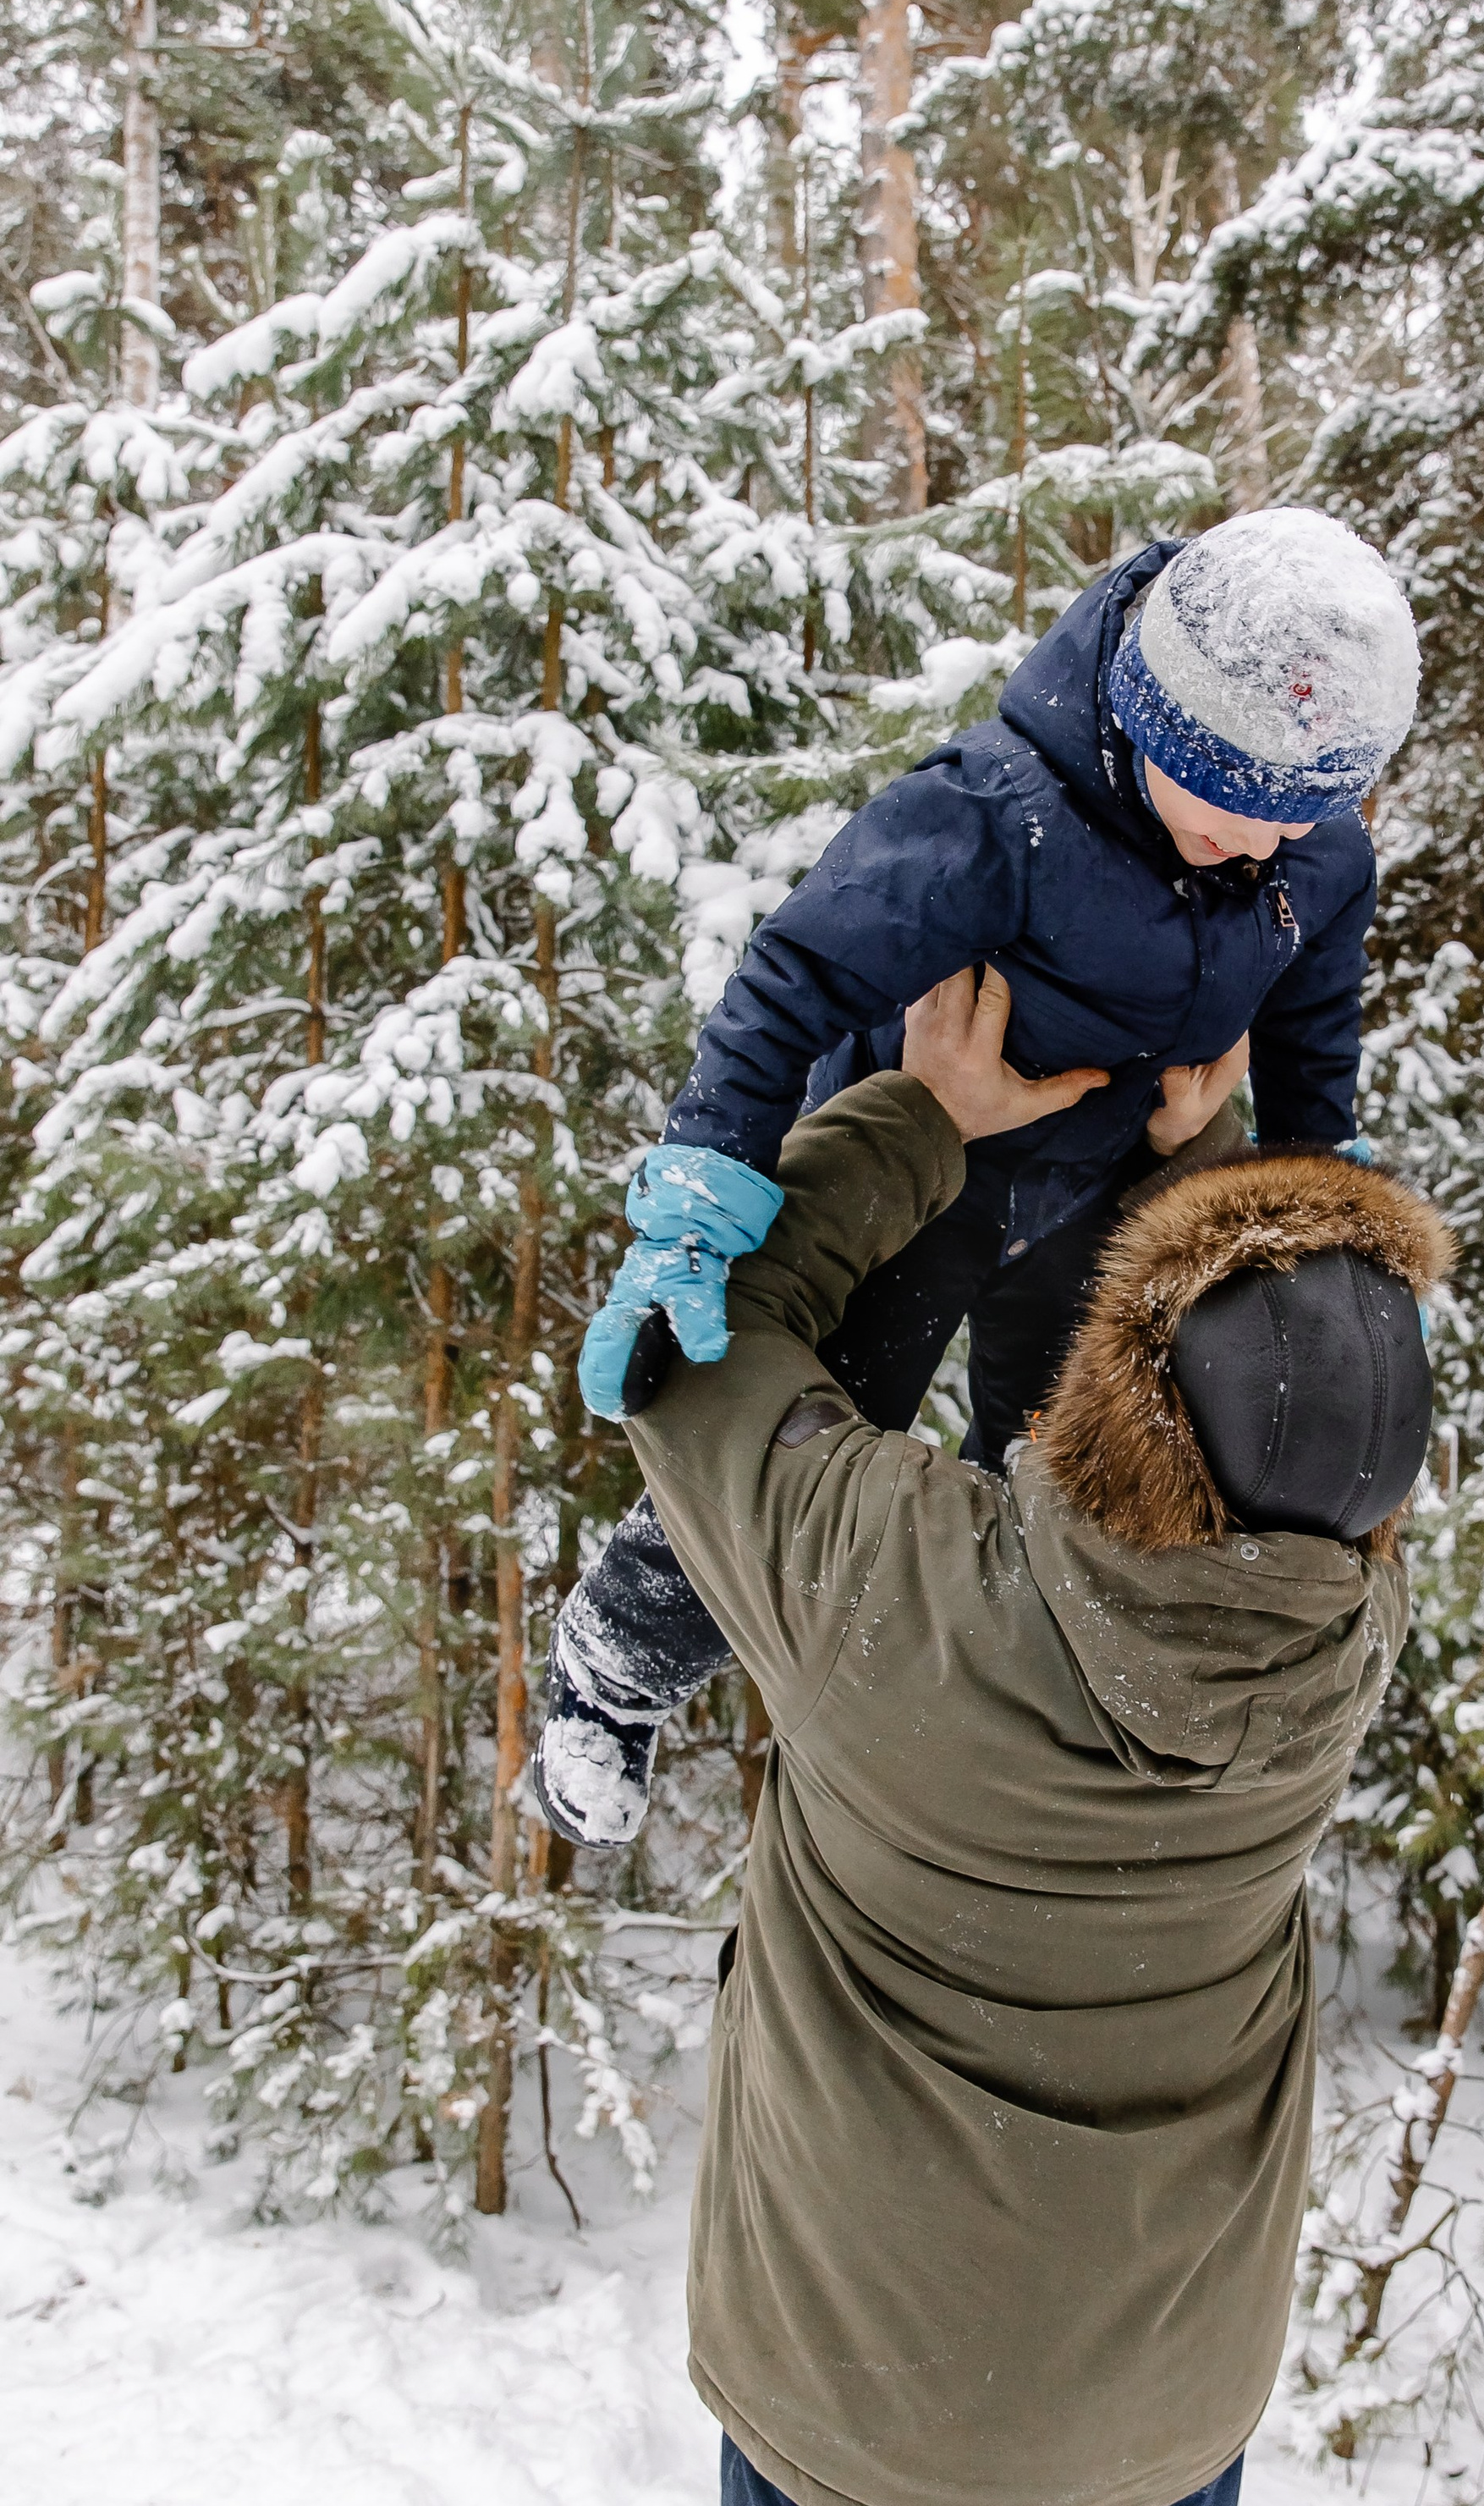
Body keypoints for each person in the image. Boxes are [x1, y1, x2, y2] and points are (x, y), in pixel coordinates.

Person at [607, 965, 1451, 2506]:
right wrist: (1206, 1174)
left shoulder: (902, 1583)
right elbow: (1267, 1430)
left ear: (1121, 1407)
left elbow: (699, 1345)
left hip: (886, 2409)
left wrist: (916, 1117)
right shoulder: (1334, 1641)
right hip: (1163, 2398)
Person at [531, 504, 1420, 1847]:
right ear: (1154, 728)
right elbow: (795, 976)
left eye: (1295, 826)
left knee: (1050, 1463)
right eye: (1233, 814)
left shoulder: (1311, 855)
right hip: (930, 1167)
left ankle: (987, 1727)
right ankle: (614, 1669)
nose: (1260, 851)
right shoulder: (996, 817)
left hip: (1108, 1188)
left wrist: (1320, 1219)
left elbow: (1311, 1036)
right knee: (812, 1427)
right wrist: (698, 1207)